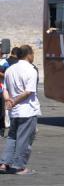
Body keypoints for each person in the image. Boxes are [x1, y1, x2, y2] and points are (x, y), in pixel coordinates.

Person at [0, 45, 40, 175]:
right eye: (33, 54)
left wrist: (8, 101)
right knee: (24, 139)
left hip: (14, 111)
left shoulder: (10, 69)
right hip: (27, 110)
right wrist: (15, 101)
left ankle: (4, 163)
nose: (33, 57)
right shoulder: (31, 70)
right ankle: (19, 166)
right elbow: (28, 91)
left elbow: (4, 89)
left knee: (12, 137)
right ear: (28, 54)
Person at [0, 48, 20, 137]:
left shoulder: (4, 62)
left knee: (3, 111)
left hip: (3, 89)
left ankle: (2, 130)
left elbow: (7, 74)